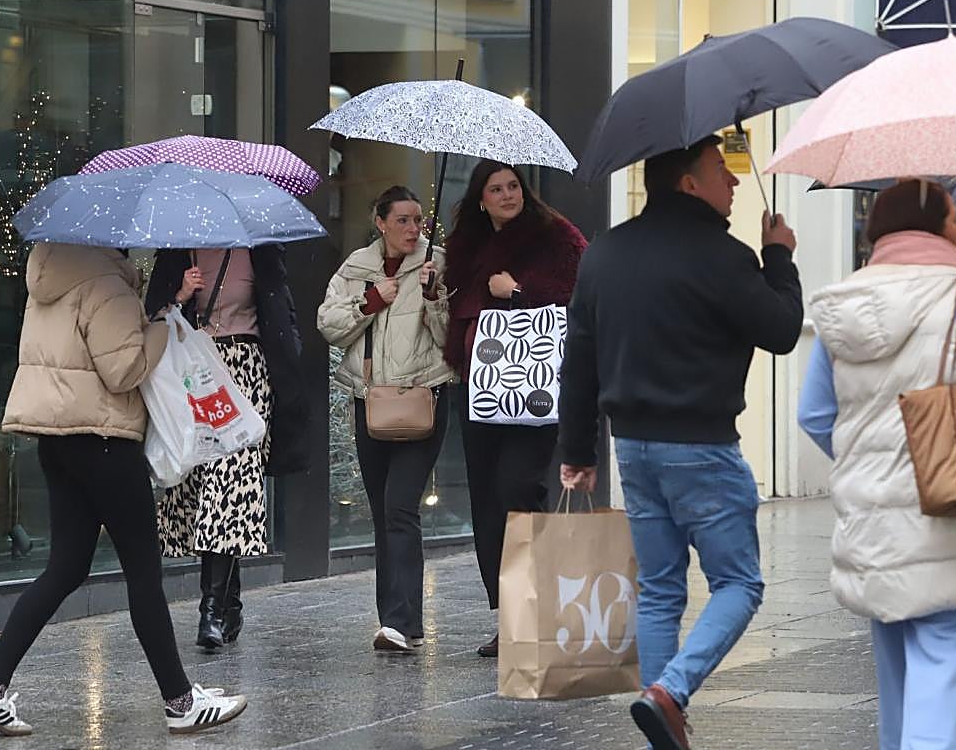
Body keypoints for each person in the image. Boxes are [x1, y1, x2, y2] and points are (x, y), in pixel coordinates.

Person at [557, 135, 801, 750]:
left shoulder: (605, 253)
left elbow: (578, 358)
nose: (735, 181)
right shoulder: (723, 255)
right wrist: (779, 257)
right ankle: (671, 691)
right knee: (739, 583)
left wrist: (578, 451)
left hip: (633, 448)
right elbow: (781, 329)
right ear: (688, 183)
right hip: (702, 448)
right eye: (723, 171)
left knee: (662, 588)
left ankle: (658, 721)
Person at [0, 244, 246, 737]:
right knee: (143, 572)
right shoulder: (107, 285)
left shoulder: (50, 275)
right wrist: (159, 327)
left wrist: (161, 307)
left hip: (59, 439)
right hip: (105, 441)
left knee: (65, 568)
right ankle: (180, 703)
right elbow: (124, 371)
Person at [798, 179, 956, 750]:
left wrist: (866, 463)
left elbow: (813, 414)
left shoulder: (842, 301)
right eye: (954, 217)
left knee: (898, 683)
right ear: (935, 225)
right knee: (942, 668)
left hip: (871, 516)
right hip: (951, 506)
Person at [444, 159, 588, 658]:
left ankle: (535, 610)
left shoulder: (556, 236)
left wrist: (520, 292)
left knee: (519, 489)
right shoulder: (466, 244)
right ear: (480, 199)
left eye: (513, 186)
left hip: (534, 389)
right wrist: (435, 286)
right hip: (480, 385)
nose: (507, 195)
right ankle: (511, 614)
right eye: (495, 189)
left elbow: (581, 297)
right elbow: (460, 306)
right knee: (487, 501)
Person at [146, 243, 308, 650]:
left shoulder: (262, 251)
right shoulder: (179, 250)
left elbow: (283, 316)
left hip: (248, 371)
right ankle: (229, 600)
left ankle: (211, 610)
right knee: (207, 486)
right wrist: (181, 295)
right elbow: (150, 315)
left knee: (229, 483)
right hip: (199, 371)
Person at [317, 186, 454, 652]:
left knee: (400, 507)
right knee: (382, 512)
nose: (414, 229)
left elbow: (451, 335)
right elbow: (328, 324)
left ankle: (401, 620)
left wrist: (435, 296)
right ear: (380, 221)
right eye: (403, 221)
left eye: (418, 220)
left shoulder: (436, 263)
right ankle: (395, 622)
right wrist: (371, 299)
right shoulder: (356, 267)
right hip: (370, 401)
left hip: (423, 398)